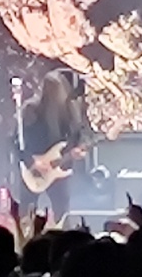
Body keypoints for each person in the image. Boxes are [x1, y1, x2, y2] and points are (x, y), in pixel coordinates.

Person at [17, 69, 90, 223]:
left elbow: (80, 135)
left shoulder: (70, 112)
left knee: (62, 210)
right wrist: (31, 160)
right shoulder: (31, 110)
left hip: (60, 168)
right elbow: (17, 140)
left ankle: (62, 239)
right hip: (34, 170)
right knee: (28, 210)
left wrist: (79, 149)